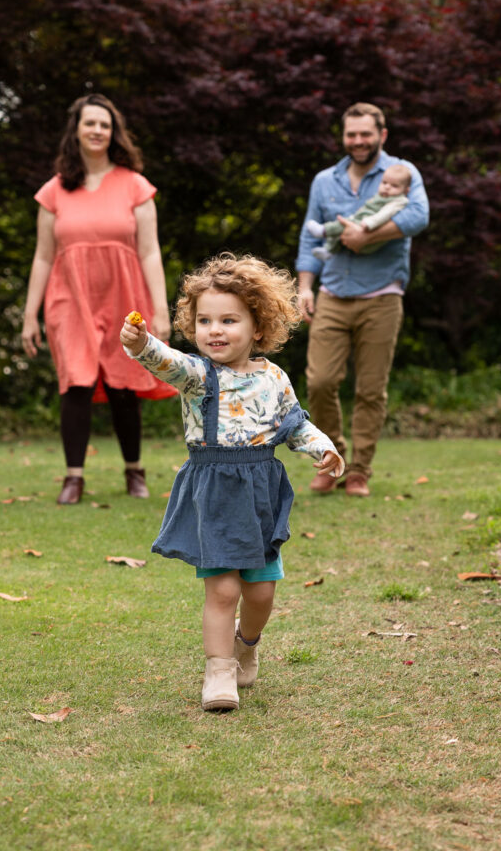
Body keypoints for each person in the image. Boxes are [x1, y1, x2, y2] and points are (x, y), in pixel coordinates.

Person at [120, 254, 344, 712]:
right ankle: (218, 671)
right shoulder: (198, 376)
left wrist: (323, 448)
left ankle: (247, 643)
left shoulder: (273, 378)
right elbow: (166, 361)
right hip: (215, 492)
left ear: (258, 327)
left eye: (228, 320)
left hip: (261, 493)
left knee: (261, 593)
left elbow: (295, 424)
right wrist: (142, 343)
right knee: (222, 589)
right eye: (204, 321)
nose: (214, 331)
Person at [21, 93, 176, 505]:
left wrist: (160, 310)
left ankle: (134, 470)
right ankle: (73, 477)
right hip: (69, 299)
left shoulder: (135, 185)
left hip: (124, 296)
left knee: (124, 383)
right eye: (90, 123)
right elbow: (42, 256)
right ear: (76, 130)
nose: (97, 130)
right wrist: (29, 315)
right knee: (76, 382)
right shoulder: (54, 191)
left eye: (104, 124)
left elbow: (150, 252)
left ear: (113, 133)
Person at [296, 102, 429, 498]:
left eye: (365, 134)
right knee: (320, 382)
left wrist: (368, 235)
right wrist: (305, 286)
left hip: (382, 295)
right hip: (332, 293)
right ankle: (333, 460)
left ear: (381, 135)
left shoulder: (401, 172)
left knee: (371, 390)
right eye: (351, 134)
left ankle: (359, 472)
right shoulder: (325, 181)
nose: (358, 141)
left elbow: (418, 216)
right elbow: (308, 237)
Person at [306, 162, 411, 261]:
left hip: (369, 228)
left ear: (406, 190)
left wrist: (370, 223)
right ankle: (329, 250)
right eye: (384, 183)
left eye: (394, 186)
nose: (387, 187)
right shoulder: (382, 196)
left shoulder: (399, 200)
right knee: (341, 231)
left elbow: (385, 213)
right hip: (361, 223)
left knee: (341, 226)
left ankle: (323, 230)